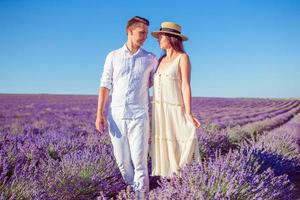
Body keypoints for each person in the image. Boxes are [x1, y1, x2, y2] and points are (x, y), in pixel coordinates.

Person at [95, 16, 157, 194]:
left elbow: (155, 82)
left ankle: (141, 196)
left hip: (139, 116)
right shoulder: (113, 56)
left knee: (139, 162)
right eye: (142, 32)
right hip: (116, 116)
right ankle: (133, 189)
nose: (145, 36)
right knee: (122, 162)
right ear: (130, 31)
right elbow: (105, 85)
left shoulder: (150, 58)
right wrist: (99, 113)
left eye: (145, 33)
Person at [150, 22, 201, 178]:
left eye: (161, 36)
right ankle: (169, 182)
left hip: (175, 109)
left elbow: (185, 86)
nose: (158, 39)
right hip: (159, 111)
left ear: (172, 38)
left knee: (181, 142)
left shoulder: (182, 58)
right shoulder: (160, 61)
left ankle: (182, 179)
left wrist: (188, 113)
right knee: (165, 145)